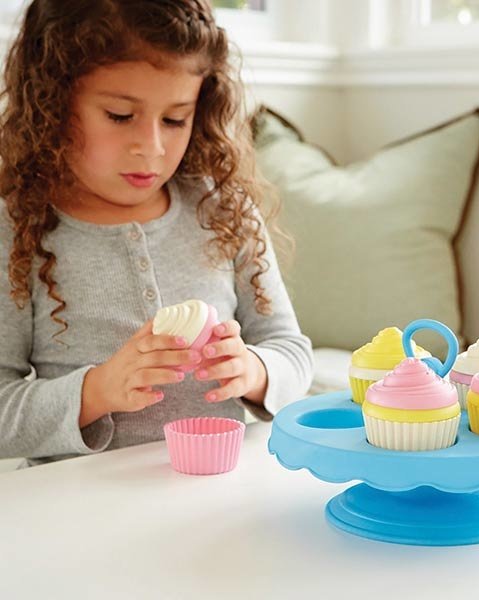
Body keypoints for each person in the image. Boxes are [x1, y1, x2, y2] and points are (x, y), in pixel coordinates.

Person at [0, 0, 314, 467]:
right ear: (53, 103)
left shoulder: (223, 210)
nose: (151, 148)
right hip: (81, 500)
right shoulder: (17, 228)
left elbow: (293, 353)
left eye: (174, 119)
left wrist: (254, 371)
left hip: (216, 490)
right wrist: (97, 391)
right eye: (119, 115)